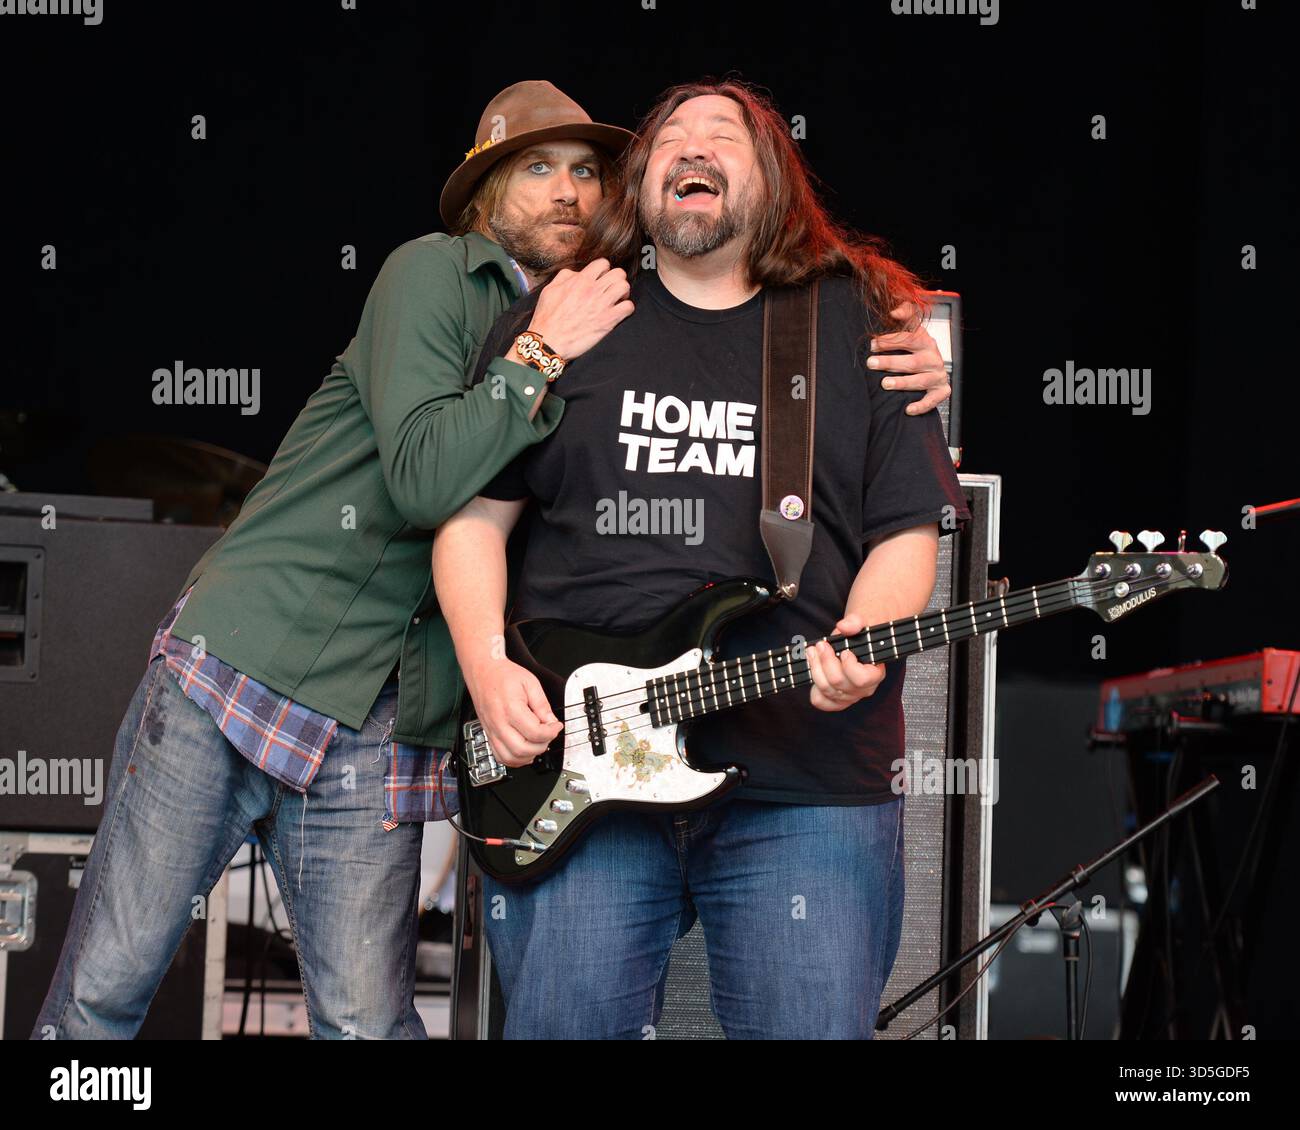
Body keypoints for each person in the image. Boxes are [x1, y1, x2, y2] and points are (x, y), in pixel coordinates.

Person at [33, 80, 636, 1040]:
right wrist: (540, 355)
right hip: (244, 667)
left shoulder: (606, 324)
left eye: (586, 171)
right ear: (485, 194)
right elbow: (422, 478)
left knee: (367, 1026)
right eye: (537, 167)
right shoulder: (433, 271)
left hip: (383, 719)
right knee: (104, 995)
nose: (568, 190)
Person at [432, 79, 970, 1039]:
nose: (694, 147)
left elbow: (907, 530)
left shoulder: (856, 322)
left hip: (806, 783)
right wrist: (483, 664)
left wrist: (870, 637)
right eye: (671, 138)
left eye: (726, 136)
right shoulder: (567, 316)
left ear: (775, 184)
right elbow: (473, 517)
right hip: (576, 767)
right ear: (640, 188)